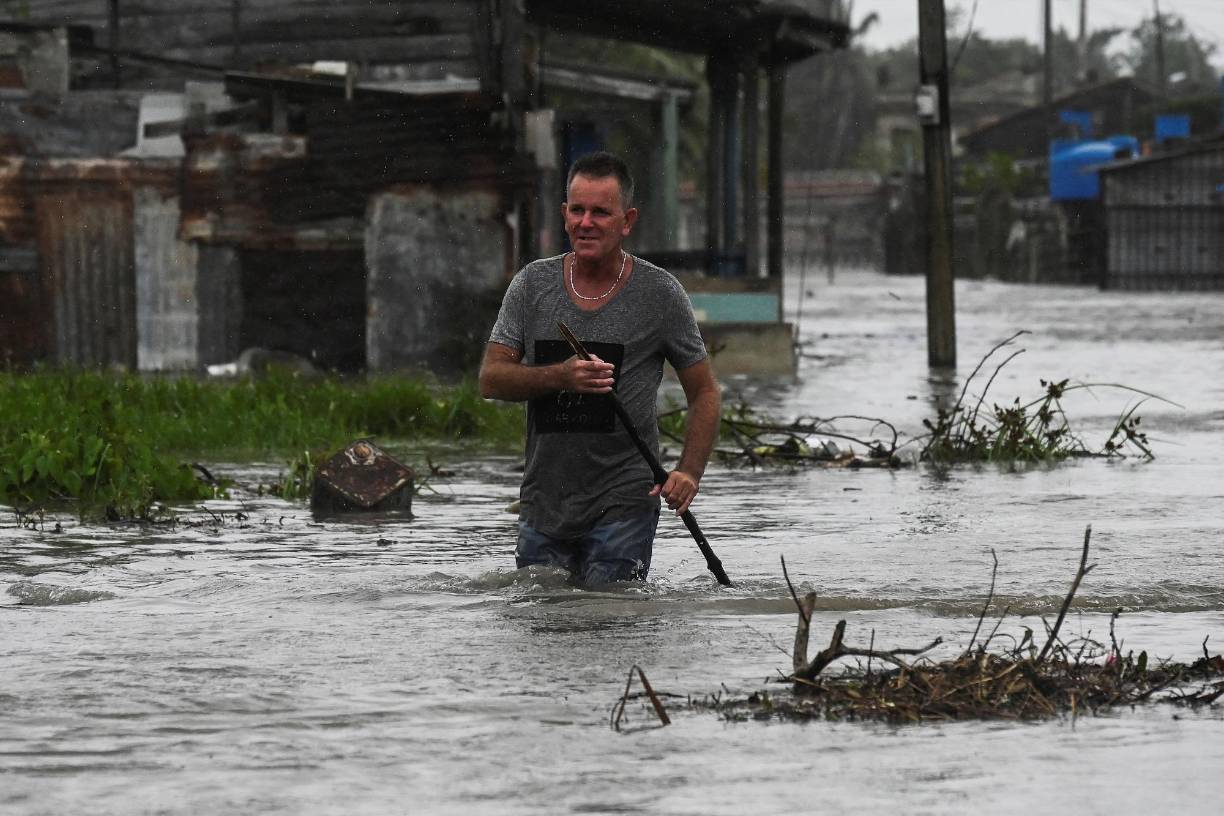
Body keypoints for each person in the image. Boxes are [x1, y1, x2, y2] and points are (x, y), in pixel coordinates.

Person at [479, 151, 721, 585]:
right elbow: (492, 379)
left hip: (624, 501)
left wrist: (688, 471)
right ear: (564, 213)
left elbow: (704, 392)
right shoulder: (533, 284)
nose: (585, 223)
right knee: (543, 623)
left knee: (611, 617)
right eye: (578, 210)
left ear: (627, 221)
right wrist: (560, 375)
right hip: (544, 502)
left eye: (600, 212)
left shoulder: (659, 293)